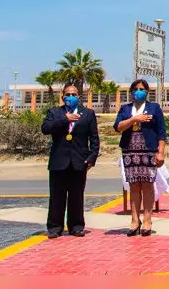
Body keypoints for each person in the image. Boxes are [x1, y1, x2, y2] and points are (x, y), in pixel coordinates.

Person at [41, 83, 99, 238]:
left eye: (74, 94)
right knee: (57, 196)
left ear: (79, 97)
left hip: (79, 160)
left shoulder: (88, 113)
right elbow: (45, 128)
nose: (70, 97)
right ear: (62, 96)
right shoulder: (55, 112)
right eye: (68, 94)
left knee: (76, 195)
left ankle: (76, 225)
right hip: (59, 161)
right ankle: (55, 227)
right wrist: (64, 120)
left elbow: (94, 138)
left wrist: (92, 157)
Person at [114, 79, 167, 237]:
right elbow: (118, 127)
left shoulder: (154, 108)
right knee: (134, 186)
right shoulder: (125, 109)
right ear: (131, 92)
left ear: (147, 92)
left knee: (147, 185)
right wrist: (134, 119)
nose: (139, 91)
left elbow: (162, 132)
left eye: (142, 89)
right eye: (136, 89)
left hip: (148, 151)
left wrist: (161, 152)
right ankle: (134, 220)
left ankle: (147, 220)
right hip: (130, 151)